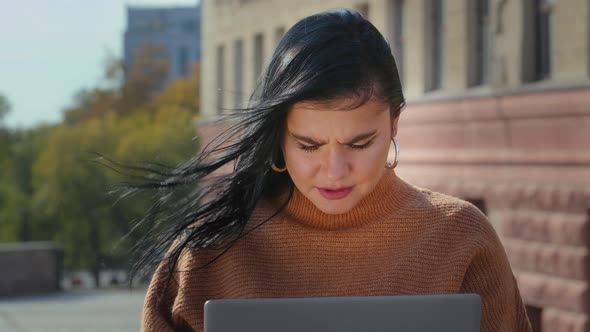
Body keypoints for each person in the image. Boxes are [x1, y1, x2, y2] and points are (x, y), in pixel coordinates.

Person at [133, 8, 532, 332]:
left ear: (394, 123)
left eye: (360, 143)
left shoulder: (462, 237)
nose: (335, 171)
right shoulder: (207, 252)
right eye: (309, 145)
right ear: (279, 136)